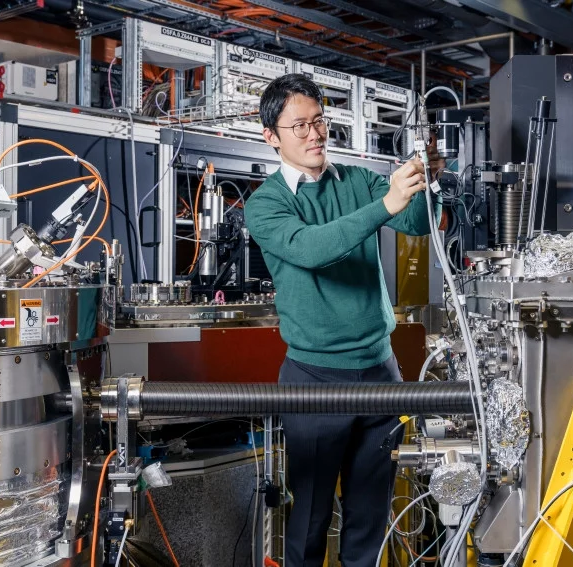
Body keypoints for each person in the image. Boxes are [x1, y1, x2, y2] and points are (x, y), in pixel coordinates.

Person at [244, 73, 443, 567]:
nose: (314, 134)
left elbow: (414, 225)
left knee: (369, 517)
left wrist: (422, 183)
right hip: (314, 378)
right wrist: (385, 204)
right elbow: (312, 250)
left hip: (380, 372)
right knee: (308, 519)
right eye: (299, 126)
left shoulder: (358, 181)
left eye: (319, 122)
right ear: (272, 136)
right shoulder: (266, 203)